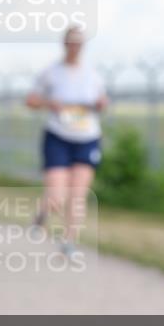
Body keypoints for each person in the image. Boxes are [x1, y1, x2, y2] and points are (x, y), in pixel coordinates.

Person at [26, 26, 107, 256]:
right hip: (58, 137)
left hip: (87, 137)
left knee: (78, 193)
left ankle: (69, 241)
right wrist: (48, 103)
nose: (75, 47)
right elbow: (31, 100)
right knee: (56, 196)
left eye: (79, 43)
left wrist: (101, 104)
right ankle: (42, 215)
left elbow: (102, 100)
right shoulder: (51, 72)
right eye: (71, 42)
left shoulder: (93, 74)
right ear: (64, 44)